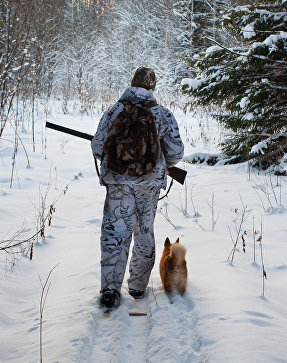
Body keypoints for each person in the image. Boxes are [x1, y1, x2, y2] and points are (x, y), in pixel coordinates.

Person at [91, 67, 185, 310]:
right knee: (144, 231)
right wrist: (159, 164)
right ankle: (138, 286)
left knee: (114, 233)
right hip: (148, 185)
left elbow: (98, 145)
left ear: (131, 82)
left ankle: (111, 290)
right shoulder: (162, 114)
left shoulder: (114, 111)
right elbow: (176, 152)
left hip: (118, 184)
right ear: (152, 87)